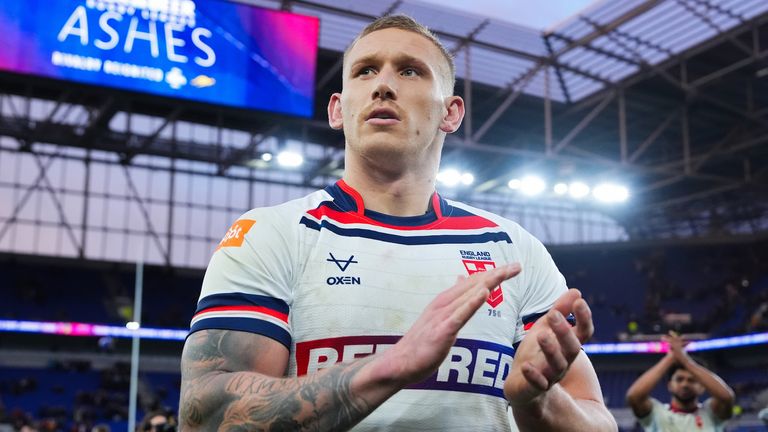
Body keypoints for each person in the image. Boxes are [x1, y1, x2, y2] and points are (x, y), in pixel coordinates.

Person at [179, 14, 616, 432]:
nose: (384, 85)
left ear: (451, 113)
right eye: (366, 71)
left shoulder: (514, 250)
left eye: (410, 72)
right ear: (337, 109)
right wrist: (393, 364)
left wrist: (537, 401)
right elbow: (205, 417)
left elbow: (597, 421)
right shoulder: (272, 235)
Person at [626, 332, 735, 431]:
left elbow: (726, 397)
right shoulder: (656, 413)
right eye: (679, 379)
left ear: (702, 387)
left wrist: (685, 360)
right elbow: (634, 396)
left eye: (692, 380)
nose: (685, 384)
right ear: (669, 385)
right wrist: (671, 357)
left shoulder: (711, 413)